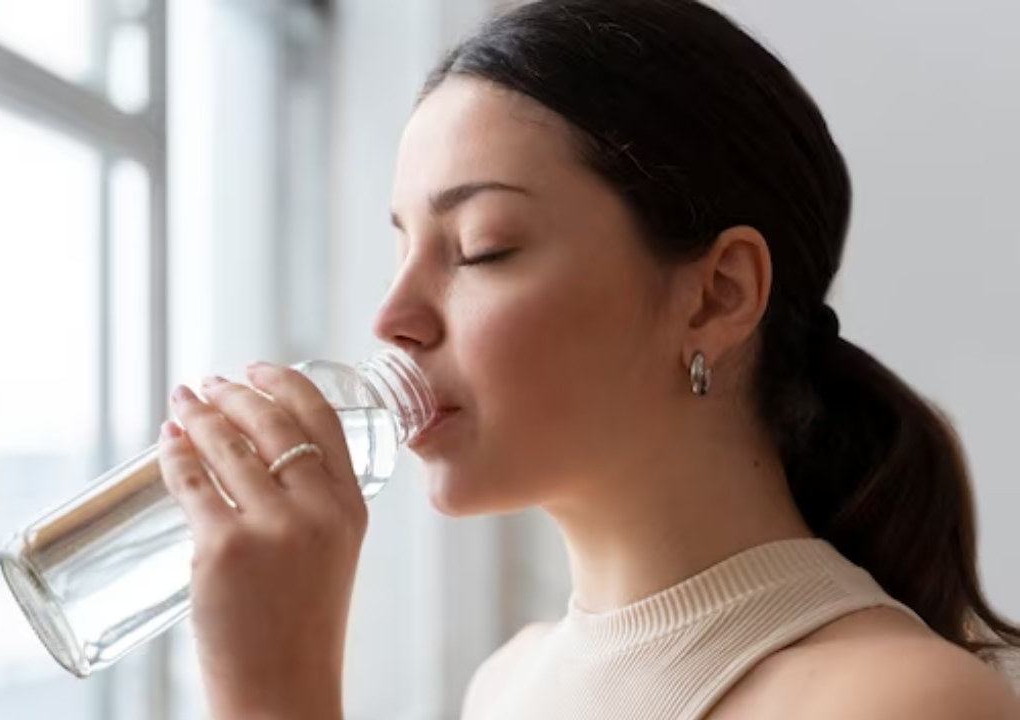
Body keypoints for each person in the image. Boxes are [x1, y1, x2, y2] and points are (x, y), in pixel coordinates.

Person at [156, 1, 1020, 718]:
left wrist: (273, 694)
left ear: (718, 294)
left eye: (480, 247)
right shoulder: (504, 686)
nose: (392, 318)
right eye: (399, 252)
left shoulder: (900, 701)